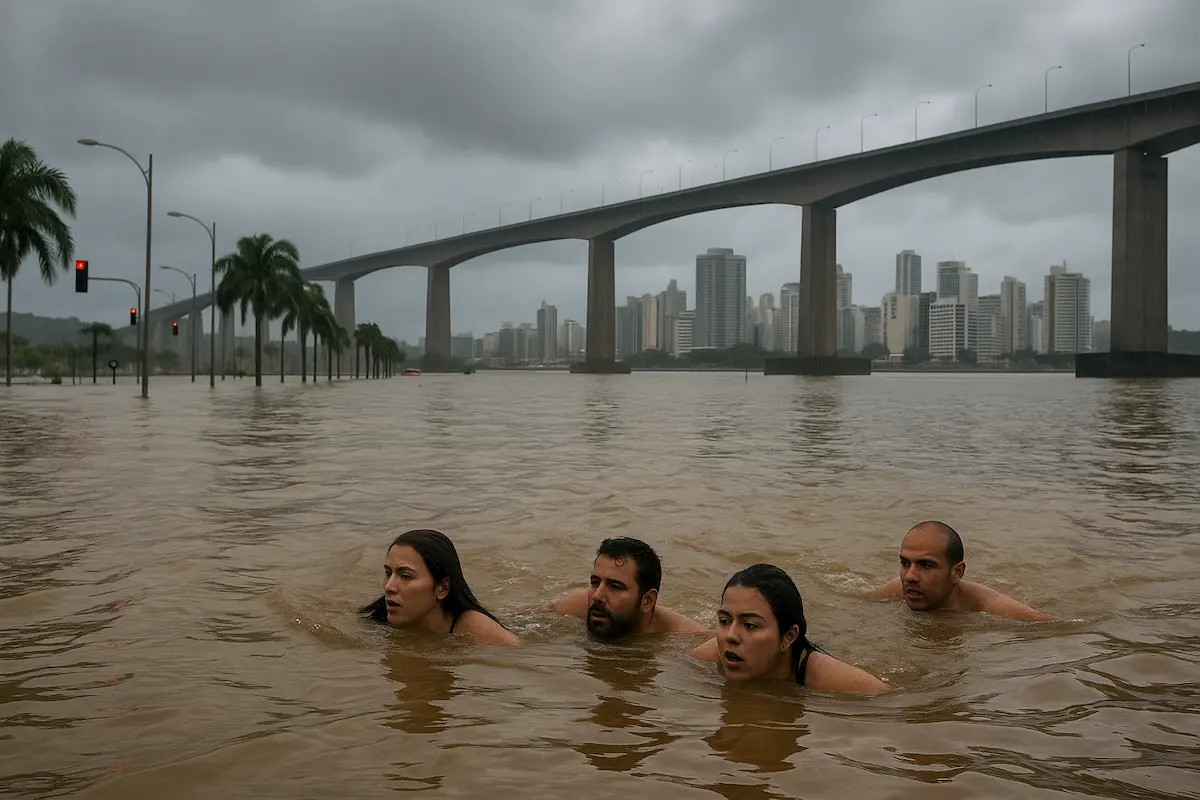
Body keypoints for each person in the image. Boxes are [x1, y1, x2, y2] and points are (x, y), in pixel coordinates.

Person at [691, 564, 889, 694]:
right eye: (724, 621)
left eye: (750, 625)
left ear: (788, 636)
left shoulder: (835, 681)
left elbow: (889, 703)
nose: (731, 636)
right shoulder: (710, 656)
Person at [360, 528, 521, 647]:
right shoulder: (375, 618)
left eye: (405, 576)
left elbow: (520, 657)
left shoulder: (474, 629)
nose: (388, 586)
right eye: (388, 573)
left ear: (442, 588)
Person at [870, 520, 1055, 621]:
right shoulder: (897, 590)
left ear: (957, 573)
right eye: (905, 563)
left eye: (926, 565)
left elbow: (1055, 628)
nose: (910, 576)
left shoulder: (989, 608)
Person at [552, 537, 708, 638]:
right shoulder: (568, 610)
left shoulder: (685, 636)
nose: (597, 596)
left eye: (615, 586)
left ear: (647, 600)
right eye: (595, 582)